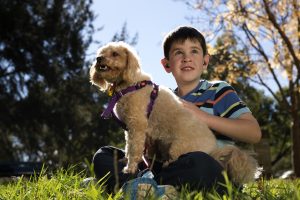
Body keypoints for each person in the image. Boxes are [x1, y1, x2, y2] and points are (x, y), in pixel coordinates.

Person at [92, 25, 261, 194]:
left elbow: (253, 133)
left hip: (208, 168)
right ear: (166, 65)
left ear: (205, 61)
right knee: (104, 155)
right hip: (166, 167)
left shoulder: (218, 90)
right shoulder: (159, 97)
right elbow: (154, 149)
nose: (187, 58)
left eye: (194, 51)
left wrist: (201, 116)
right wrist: (149, 145)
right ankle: (149, 188)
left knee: (199, 162)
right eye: (179, 52)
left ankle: (133, 187)